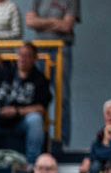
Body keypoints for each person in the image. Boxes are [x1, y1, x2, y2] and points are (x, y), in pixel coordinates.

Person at [0, 42, 52, 161]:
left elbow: (41, 108)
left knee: (36, 120)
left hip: (21, 123)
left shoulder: (40, 79)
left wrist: (17, 111)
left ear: (34, 59)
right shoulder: (5, 72)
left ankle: (32, 164)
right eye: (21, 55)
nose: (22, 59)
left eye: (27, 56)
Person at [27, 0, 79, 145]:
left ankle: (62, 141)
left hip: (61, 49)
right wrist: (55, 22)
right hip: (40, 49)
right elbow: (30, 21)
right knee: (38, 95)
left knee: (62, 96)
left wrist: (41, 23)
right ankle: (40, 139)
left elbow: (67, 26)